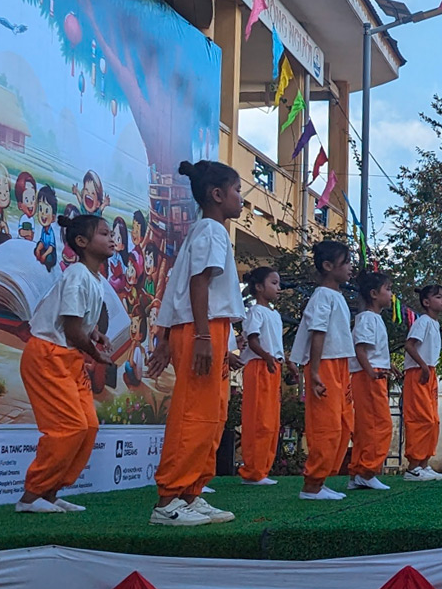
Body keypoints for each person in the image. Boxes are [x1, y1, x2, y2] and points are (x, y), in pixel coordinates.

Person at [147, 161, 244, 527]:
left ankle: (192, 493)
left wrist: (169, 337)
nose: (241, 200)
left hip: (208, 329)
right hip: (201, 331)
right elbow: (197, 285)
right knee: (193, 415)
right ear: (217, 195)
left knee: (212, 416)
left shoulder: (209, 231)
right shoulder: (211, 230)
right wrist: (201, 336)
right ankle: (168, 500)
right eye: (237, 191)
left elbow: (179, 285)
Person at [16, 215, 112, 514]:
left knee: (88, 426)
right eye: (104, 234)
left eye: (111, 234)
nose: (112, 238)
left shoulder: (95, 279)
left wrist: (96, 334)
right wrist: (97, 356)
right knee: (68, 427)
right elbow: (71, 330)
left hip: (67, 357)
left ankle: (50, 492)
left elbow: (80, 322)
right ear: (82, 243)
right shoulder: (77, 275)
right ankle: (30, 497)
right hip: (48, 355)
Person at [290, 241, 356, 500]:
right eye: (346, 262)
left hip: (338, 363)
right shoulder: (321, 296)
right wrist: (314, 371)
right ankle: (311, 485)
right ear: (328, 266)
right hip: (324, 365)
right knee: (326, 426)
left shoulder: (336, 296)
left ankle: (322, 479)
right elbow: (318, 332)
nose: (351, 267)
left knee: (342, 424)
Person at [347, 271, 394, 492]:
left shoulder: (373, 319)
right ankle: (367, 470)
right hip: (369, 376)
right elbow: (360, 349)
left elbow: (372, 350)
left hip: (373, 372)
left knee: (367, 426)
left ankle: (358, 471)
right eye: (388, 289)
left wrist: (387, 365)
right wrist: (372, 372)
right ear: (374, 294)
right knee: (380, 424)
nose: (391, 294)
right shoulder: (367, 318)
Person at [238, 267, 284, 486]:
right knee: (258, 419)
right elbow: (254, 340)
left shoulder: (274, 314)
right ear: (258, 287)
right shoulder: (255, 312)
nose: (278, 288)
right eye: (273, 283)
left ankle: (262, 469)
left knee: (271, 421)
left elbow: (276, 345)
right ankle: (253, 470)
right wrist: (266, 357)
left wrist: (285, 364)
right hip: (259, 366)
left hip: (272, 366)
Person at [402, 284, 442, 481]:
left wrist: (428, 368)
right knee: (421, 419)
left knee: (433, 420)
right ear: (426, 302)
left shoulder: (435, 324)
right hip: (418, 373)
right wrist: (422, 366)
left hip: (430, 371)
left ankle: (424, 464)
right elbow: (409, 345)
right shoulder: (422, 322)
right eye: (438, 297)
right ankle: (413, 467)